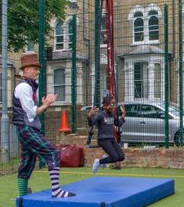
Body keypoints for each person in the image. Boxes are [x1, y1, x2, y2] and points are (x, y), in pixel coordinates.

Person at [13, 51, 75, 198]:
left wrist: (43, 103)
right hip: (26, 129)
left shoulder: (30, 87)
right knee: (52, 152)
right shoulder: (23, 87)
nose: (38, 71)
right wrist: (46, 103)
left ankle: (22, 196)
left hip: (26, 128)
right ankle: (56, 191)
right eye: (35, 68)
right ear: (26, 69)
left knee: (28, 161)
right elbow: (32, 113)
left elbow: (32, 110)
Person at [88, 95, 126, 172]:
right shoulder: (100, 115)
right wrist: (89, 116)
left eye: (114, 104)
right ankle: (98, 162)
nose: (113, 106)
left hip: (111, 139)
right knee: (115, 158)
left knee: (121, 157)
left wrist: (123, 115)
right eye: (111, 104)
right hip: (103, 139)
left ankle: (105, 159)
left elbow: (118, 123)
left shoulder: (112, 115)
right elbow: (91, 123)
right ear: (106, 105)